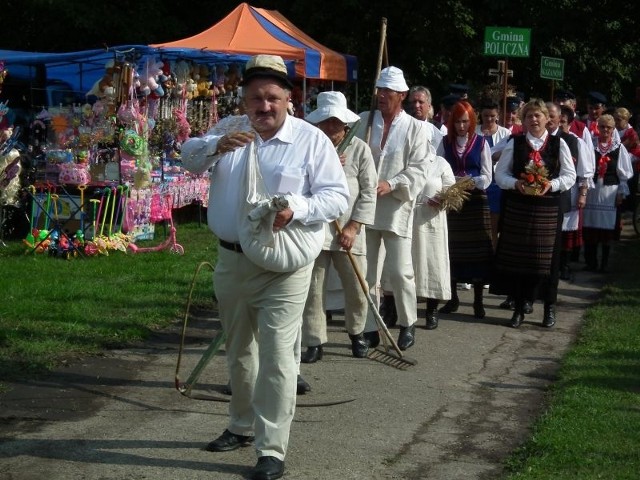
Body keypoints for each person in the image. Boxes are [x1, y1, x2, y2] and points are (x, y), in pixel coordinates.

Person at [180, 54, 349, 480]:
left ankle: (271, 448)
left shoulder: (311, 141)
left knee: (276, 356)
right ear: (244, 100)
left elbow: (336, 197)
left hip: (284, 265)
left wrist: (297, 207)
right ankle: (240, 425)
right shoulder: (229, 130)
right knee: (239, 351)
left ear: (289, 99)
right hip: (231, 259)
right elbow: (188, 160)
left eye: (272, 97)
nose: (264, 106)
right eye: (256, 98)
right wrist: (215, 146)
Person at [354, 66, 431, 351]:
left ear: (402, 95)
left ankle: (407, 322)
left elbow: (420, 168)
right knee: (367, 271)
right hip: (365, 204)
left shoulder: (416, 128)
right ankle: (370, 326)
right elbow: (349, 152)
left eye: (388, 91)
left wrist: (393, 183)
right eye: (379, 90)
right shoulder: (365, 121)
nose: (381, 96)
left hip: (396, 206)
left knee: (399, 271)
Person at [300, 91, 377, 363]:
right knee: (313, 287)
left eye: (336, 122)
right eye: (326, 122)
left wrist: (354, 227)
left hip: (349, 233)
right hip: (317, 230)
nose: (331, 128)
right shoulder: (308, 148)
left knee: (357, 286)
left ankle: (357, 332)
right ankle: (314, 340)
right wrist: (324, 163)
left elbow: (368, 191)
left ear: (345, 123)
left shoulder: (359, 149)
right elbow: (297, 185)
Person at [493, 99, 576, 328]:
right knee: (520, 260)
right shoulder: (515, 142)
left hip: (548, 209)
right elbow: (500, 175)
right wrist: (515, 184)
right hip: (519, 208)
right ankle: (519, 309)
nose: (534, 120)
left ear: (546, 118)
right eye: (529, 116)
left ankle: (549, 309)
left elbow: (570, 176)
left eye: (537, 115)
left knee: (549, 261)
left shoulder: (559, 144)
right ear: (524, 119)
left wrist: (552, 184)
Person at [378, 85, 444, 327]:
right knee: (379, 269)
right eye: (379, 90)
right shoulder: (371, 122)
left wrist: (394, 183)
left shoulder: (429, 132)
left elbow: (430, 166)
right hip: (378, 206)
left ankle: (415, 318)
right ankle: (379, 318)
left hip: (410, 207)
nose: (417, 106)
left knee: (411, 266)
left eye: (421, 102)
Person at [437, 100, 493, 319]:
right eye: (458, 122)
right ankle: (452, 298)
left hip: (475, 201)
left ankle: (478, 302)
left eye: (465, 122)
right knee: (452, 249)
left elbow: (487, 176)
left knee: (478, 252)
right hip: (452, 201)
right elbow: (438, 168)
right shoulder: (445, 142)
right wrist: (450, 183)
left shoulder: (481, 143)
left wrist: (469, 181)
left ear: (472, 122)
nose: (461, 126)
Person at [582, 113, 633, 272]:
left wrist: (620, 193)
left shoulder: (619, 148)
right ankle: (590, 263)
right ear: (598, 127)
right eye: (602, 126)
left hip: (609, 192)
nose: (605, 130)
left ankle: (604, 264)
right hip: (592, 191)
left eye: (609, 127)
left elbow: (624, 174)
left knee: (606, 231)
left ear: (613, 130)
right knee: (590, 229)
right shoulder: (591, 145)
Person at [550, 102, 594, 281]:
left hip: (570, 190)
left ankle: (564, 266)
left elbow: (585, 171)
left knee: (566, 233)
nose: (560, 125)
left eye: (563, 122)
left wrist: (583, 193)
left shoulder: (576, 142)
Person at [476, 99, 511, 251]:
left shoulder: (505, 133)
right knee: (478, 219)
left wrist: (499, 155)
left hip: (496, 183)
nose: (489, 119)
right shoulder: (474, 130)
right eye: (485, 116)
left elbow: (508, 155)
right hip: (478, 179)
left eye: (492, 116)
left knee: (494, 221)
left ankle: (493, 252)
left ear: (498, 115)